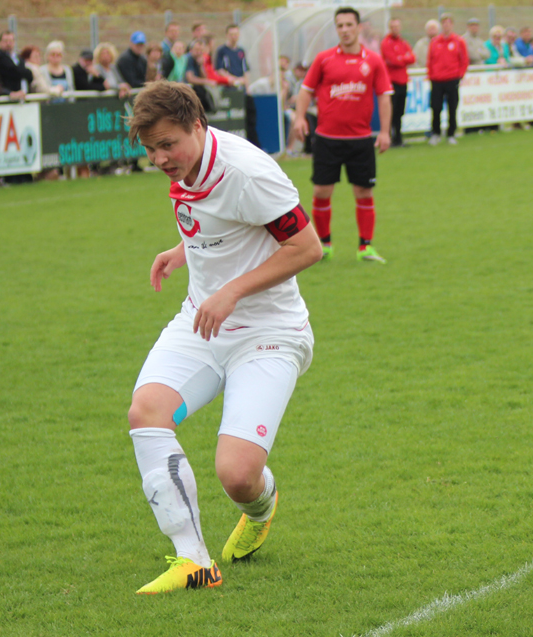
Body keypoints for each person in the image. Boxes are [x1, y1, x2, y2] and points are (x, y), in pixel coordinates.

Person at [126, 80, 321, 594]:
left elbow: (306, 248)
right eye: (151, 150)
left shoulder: (247, 171)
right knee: (147, 413)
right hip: (202, 321)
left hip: (269, 334)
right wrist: (182, 249)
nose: (161, 158)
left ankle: (262, 504)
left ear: (197, 125)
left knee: (237, 475)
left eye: (168, 144)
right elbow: (222, 226)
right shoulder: (191, 164)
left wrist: (231, 291)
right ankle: (194, 563)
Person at [292, 6, 393, 264]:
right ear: (336, 29)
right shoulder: (324, 59)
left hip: (361, 140)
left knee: (364, 193)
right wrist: (300, 117)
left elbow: (384, 97)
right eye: (340, 26)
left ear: (359, 27)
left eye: (349, 25)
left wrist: (384, 131)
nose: (345, 30)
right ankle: (324, 244)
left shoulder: (373, 60)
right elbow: (305, 91)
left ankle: (365, 247)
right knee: (322, 191)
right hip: (327, 139)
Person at [427, 13, 469, 146]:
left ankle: (451, 134)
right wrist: (432, 75)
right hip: (437, 80)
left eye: (448, 23)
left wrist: (459, 75)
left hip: (452, 79)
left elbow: (464, 60)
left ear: (452, 25)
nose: (446, 25)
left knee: (452, 107)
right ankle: (436, 133)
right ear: (441, 25)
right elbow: (430, 60)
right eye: (444, 23)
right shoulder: (435, 42)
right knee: (436, 107)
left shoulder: (458, 41)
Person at [380, 18, 415, 147]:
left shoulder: (403, 42)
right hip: (392, 81)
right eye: (393, 26)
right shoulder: (386, 43)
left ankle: (398, 138)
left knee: (400, 111)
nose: (396, 29)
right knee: (392, 111)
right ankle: (389, 137)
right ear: (390, 28)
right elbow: (392, 60)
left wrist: (402, 58)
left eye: (397, 26)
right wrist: (403, 58)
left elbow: (412, 57)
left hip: (403, 80)